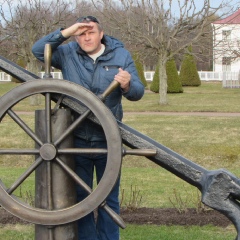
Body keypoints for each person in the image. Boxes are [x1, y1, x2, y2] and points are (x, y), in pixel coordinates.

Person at [32, 15, 144, 240]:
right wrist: (67, 31)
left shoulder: (121, 55)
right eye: (81, 33)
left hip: (109, 139)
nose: (86, 37)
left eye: (90, 32)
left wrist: (127, 84)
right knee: (81, 198)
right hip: (75, 139)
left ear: (101, 34)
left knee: (108, 199)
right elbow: (37, 50)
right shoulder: (67, 53)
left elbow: (138, 92)